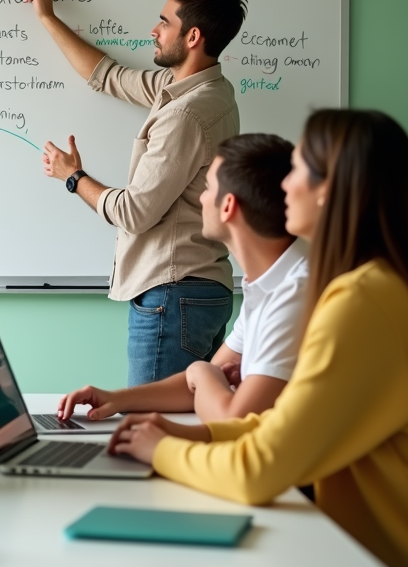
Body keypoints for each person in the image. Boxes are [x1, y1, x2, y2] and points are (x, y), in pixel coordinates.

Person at [110, 110, 408, 567]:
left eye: (299, 170)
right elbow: (285, 429)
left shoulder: (361, 301)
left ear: (329, 188)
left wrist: (161, 451)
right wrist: (187, 433)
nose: (285, 186)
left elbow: (258, 472)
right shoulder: (383, 285)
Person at [18, 0, 247, 385]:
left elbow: (135, 211)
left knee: (151, 429)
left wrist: (73, 177)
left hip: (173, 293)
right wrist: (48, 17)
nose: (154, 30)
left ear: (192, 37)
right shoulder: (200, 90)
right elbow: (107, 76)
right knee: (183, 422)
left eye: (165, 22)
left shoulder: (185, 114)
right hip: (194, 293)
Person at [59, 133, 309, 423]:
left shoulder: (295, 292)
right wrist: (116, 398)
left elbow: (231, 414)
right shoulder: (267, 285)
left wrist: (201, 373)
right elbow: (203, 385)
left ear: (228, 206)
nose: (201, 196)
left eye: (208, 187)